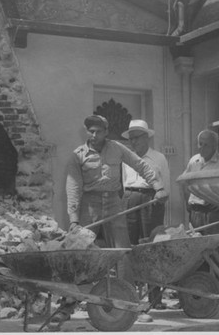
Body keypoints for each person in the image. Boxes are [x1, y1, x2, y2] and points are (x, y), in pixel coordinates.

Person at [60, 114, 167, 324]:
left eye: (98, 131)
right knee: (80, 253)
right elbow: (72, 187)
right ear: (86, 131)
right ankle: (67, 305)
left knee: (122, 253)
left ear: (106, 132)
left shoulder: (117, 148)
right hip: (89, 207)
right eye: (90, 131)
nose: (94, 135)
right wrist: (73, 219)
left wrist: (158, 186)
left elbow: (141, 165)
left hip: (114, 205)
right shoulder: (78, 155)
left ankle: (130, 306)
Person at [181, 129, 219, 309]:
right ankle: (201, 294)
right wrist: (188, 204)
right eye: (200, 143)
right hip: (197, 212)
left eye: (206, 144)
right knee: (198, 255)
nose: (201, 147)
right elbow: (184, 182)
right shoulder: (194, 161)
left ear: (215, 146)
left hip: (217, 212)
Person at [122, 119, 170, 310]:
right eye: (131, 139)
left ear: (147, 137)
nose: (133, 142)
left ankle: (155, 297)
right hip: (130, 198)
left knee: (151, 246)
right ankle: (129, 296)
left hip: (151, 200)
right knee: (129, 246)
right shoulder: (126, 159)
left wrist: (159, 197)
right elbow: (123, 182)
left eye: (137, 138)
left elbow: (165, 187)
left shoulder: (159, 158)